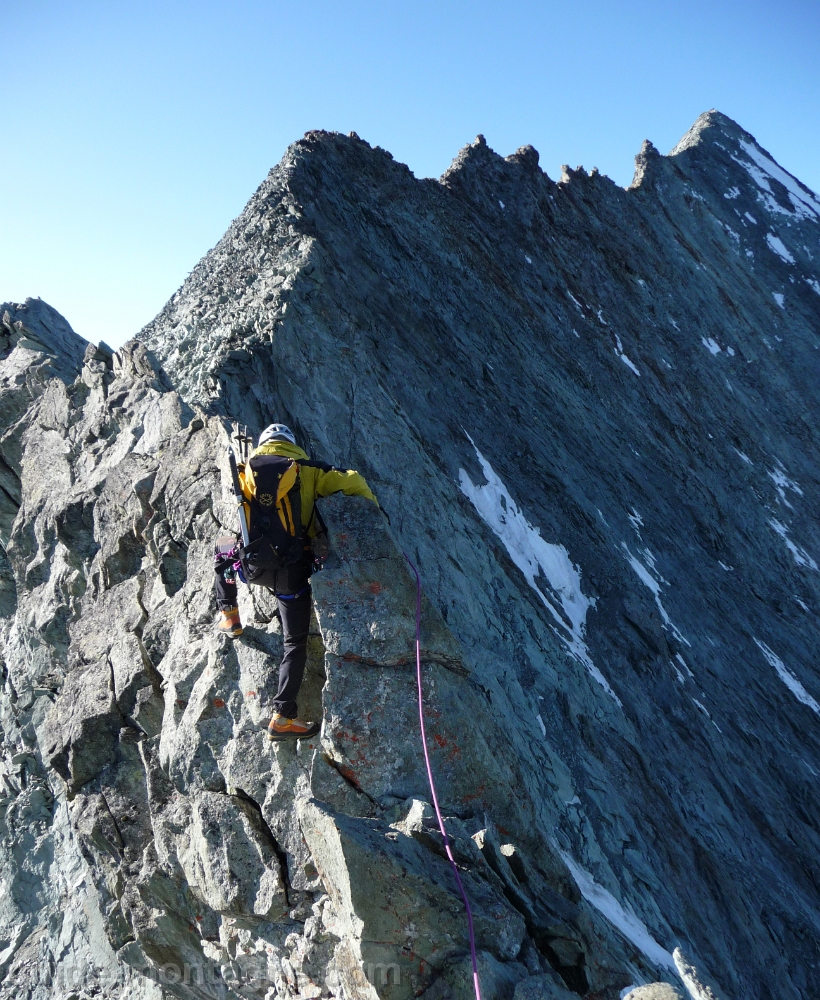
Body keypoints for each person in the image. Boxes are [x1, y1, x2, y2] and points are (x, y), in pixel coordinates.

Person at [214, 423, 378, 741]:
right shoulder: (308, 470)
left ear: (263, 446)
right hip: (292, 573)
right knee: (294, 643)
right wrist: (374, 511)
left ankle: (229, 614)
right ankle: (283, 717)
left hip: (252, 567)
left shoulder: (246, 470)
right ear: (291, 444)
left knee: (221, 547)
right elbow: (355, 481)